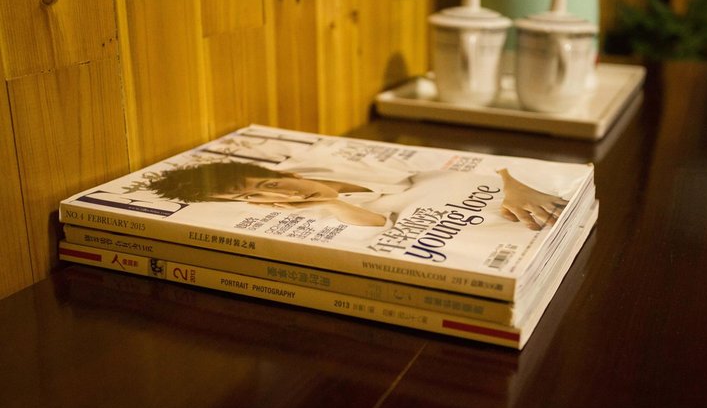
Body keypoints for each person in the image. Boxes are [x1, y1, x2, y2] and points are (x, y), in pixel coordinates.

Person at [145, 160, 567, 230]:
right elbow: (381, 226)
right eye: (249, 198)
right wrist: (331, 203)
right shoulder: (323, 214)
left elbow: (486, 165)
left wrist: (511, 182)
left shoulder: (341, 166)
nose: (284, 194)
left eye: (269, 183)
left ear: (286, 173)